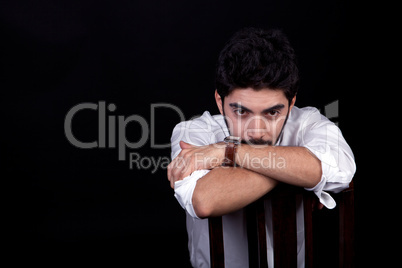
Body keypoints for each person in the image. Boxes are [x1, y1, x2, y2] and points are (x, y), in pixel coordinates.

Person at [167, 27, 356, 268]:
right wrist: (297, 174)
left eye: (273, 112)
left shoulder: (308, 123)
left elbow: (340, 168)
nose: (256, 131)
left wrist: (227, 152)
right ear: (219, 101)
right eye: (241, 111)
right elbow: (204, 200)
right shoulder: (192, 133)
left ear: (292, 102)